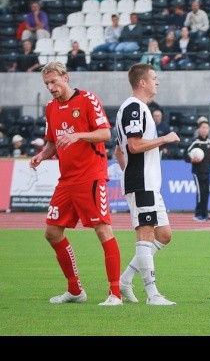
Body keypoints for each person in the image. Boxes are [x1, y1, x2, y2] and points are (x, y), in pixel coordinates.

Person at [29, 61, 122, 306]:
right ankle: (75, 290)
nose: (51, 87)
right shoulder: (50, 108)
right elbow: (52, 142)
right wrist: (42, 155)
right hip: (67, 179)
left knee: (102, 230)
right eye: (47, 84)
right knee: (52, 232)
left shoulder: (88, 99)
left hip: (90, 176)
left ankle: (115, 294)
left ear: (66, 77)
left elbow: (105, 134)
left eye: (54, 82)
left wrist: (78, 135)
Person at [113, 63, 180, 306]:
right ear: (142, 82)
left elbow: (118, 151)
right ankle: (152, 295)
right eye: (154, 77)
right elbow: (133, 146)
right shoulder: (134, 108)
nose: (157, 82)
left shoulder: (139, 109)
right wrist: (165, 138)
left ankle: (124, 280)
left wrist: (128, 169)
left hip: (147, 182)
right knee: (145, 233)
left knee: (164, 235)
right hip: (141, 182)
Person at [185, 116, 210, 222]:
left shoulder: (209, 143)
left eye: (207, 127)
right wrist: (191, 159)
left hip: (207, 172)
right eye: (203, 127)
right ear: (199, 129)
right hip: (197, 172)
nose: (205, 129)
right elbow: (186, 154)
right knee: (200, 193)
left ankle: (205, 214)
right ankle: (198, 214)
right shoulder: (195, 142)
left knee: (206, 192)